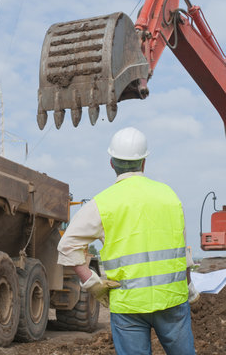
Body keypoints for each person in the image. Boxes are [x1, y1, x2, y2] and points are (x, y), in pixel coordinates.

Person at [57, 127, 199, 355]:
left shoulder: (103, 203)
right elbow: (182, 252)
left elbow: (67, 246)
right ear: (144, 162)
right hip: (172, 300)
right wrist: (189, 286)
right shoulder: (169, 196)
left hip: (127, 304)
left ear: (112, 163)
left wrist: (92, 283)